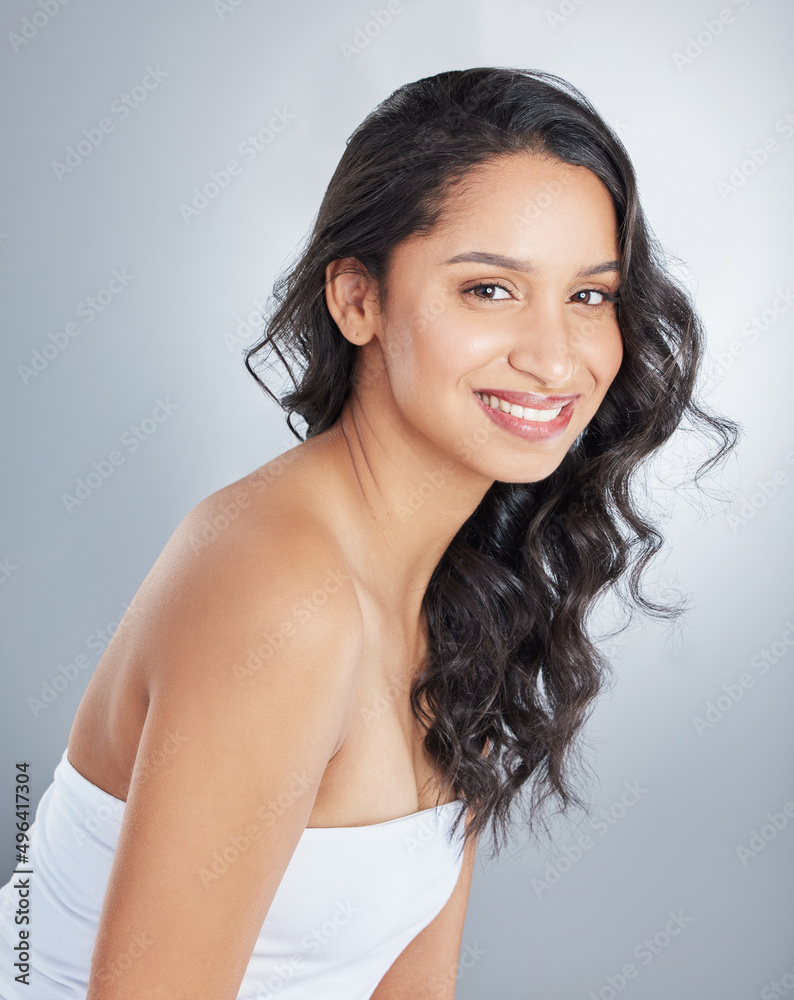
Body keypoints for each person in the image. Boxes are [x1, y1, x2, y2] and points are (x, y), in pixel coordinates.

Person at [0, 66, 737, 999]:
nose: (556, 358)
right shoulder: (283, 592)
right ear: (359, 300)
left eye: (589, 297)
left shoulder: (463, 585)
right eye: (489, 291)